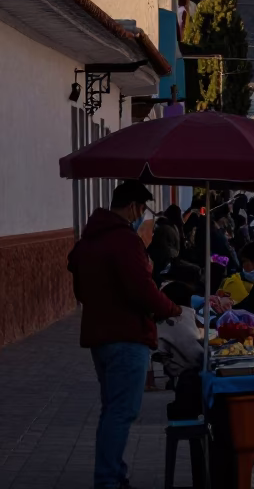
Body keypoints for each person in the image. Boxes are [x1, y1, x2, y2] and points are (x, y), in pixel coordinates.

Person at [67, 180, 182, 489]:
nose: (142, 216)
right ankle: (108, 479)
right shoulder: (124, 241)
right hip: (127, 336)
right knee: (121, 412)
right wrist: (172, 308)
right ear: (132, 206)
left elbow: (81, 289)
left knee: (112, 410)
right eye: (142, 209)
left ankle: (114, 473)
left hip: (99, 337)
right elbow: (142, 290)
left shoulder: (89, 240)